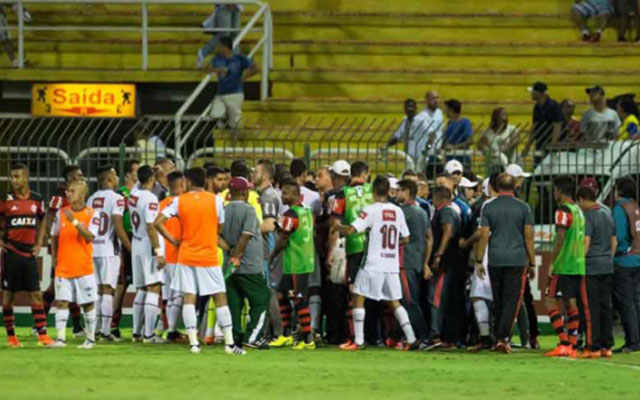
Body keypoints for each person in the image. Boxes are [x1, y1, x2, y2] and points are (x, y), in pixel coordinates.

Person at [155, 167, 245, 355]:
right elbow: (219, 227)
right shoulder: (216, 201)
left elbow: (157, 223)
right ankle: (229, 344)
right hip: (208, 255)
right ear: (205, 181)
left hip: (186, 255)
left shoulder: (179, 201)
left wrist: (173, 241)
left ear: (187, 181)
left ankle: (194, 344)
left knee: (189, 297)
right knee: (220, 297)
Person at [338, 176, 418, 351]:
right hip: (391, 264)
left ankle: (359, 341)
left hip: (373, 263)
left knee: (358, 297)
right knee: (395, 302)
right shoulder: (397, 211)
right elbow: (406, 238)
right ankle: (411, 338)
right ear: (388, 191)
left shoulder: (371, 210)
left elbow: (352, 230)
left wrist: (338, 227)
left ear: (374, 192)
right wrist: (389, 246)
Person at [476, 174, 536, 354]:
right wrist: (532, 261)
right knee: (513, 300)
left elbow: (484, 235)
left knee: (499, 298)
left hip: (495, 258)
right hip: (517, 259)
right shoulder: (523, 207)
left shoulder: (489, 208)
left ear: (497, 186)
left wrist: (479, 260)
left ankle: (497, 337)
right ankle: (504, 337)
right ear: (514, 187)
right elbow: (528, 236)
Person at [0, 163, 54, 347]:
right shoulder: (5, 200)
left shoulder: (37, 200)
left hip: (28, 254)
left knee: (36, 294)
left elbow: (43, 220)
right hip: (11, 254)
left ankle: (43, 336)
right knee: (8, 296)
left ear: (26, 178)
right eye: (12, 177)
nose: (13, 180)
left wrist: (39, 242)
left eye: (17, 177)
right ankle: (11, 337)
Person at [49, 180, 100, 349]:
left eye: (71, 191)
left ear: (81, 194)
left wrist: (75, 222)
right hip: (64, 266)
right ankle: (61, 339)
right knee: (62, 302)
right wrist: (55, 256)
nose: (67, 194)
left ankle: (90, 339)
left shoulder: (93, 214)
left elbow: (90, 237)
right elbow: (55, 236)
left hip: (83, 267)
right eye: (67, 191)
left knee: (87, 304)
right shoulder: (61, 212)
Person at [220, 177, 271, 349]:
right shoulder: (248, 210)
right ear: (244, 192)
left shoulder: (223, 210)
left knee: (234, 304)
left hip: (229, 266)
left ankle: (234, 337)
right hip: (249, 265)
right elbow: (246, 234)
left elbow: (215, 235)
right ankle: (252, 337)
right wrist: (238, 254)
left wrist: (230, 250)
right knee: (262, 299)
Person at [268, 180, 316, 350]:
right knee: (281, 295)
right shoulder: (306, 212)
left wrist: (272, 256)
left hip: (297, 263)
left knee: (300, 300)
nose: (282, 196)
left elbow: (283, 239)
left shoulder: (290, 214)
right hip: (301, 261)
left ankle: (308, 339)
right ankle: (286, 335)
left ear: (295, 195)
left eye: (285, 193)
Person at [330, 160, 373, 345]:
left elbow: (334, 226)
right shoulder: (374, 191)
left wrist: (331, 252)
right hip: (374, 248)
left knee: (355, 292)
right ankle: (377, 336)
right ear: (366, 174)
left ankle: (355, 337)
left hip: (354, 247)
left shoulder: (342, 195)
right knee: (377, 294)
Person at [86, 166, 130, 342]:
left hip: (92, 248)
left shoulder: (91, 199)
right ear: (110, 180)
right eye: (115, 175)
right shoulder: (117, 198)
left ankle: (94, 330)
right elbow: (118, 226)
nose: (118, 178)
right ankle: (105, 331)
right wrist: (130, 247)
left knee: (96, 290)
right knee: (108, 289)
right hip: (109, 250)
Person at [545, 176, 586, 358]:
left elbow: (561, 236)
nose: (554, 194)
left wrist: (552, 262)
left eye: (554, 190)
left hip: (564, 264)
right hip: (578, 264)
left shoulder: (563, 210)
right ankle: (573, 344)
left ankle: (563, 342)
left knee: (550, 300)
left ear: (559, 191)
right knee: (571, 303)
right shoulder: (578, 210)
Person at [44, 165, 86, 337]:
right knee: (58, 287)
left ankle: (76, 327)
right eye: (78, 176)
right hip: (62, 249)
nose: (82, 178)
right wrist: (54, 243)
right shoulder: (59, 198)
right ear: (69, 179)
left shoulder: (79, 196)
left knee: (66, 287)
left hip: (74, 248)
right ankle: (40, 323)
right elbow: (48, 220)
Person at [578, 185, 617, 358]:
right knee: (606, 306)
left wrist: (580, 261)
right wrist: (608, 258)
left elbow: (586, 242)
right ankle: (606, 346)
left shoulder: (588, 217)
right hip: (607, 266)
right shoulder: (607, 214)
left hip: (591, 267)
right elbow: (614, 241)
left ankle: (592, 346)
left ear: (582, 199)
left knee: (590, 307)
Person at [128, 166, 166, 344]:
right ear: (152, 178)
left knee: (142, 288)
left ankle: (136, 333)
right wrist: (158, 252)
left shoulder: (134, 193)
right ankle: (149, 335)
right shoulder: (150, 198)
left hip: (137, 243)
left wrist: (147, 172)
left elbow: (137, 183)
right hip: (149, 244)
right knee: (154, 287)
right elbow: (151, 226)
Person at [396, 179, 433, 345]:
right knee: (413, 299)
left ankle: (423, 336)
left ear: (406, 192)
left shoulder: (401, 212)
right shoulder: (422, 212)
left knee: (409, 301)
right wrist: (425, 262)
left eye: (399, 190)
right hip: (417, 262)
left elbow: (399, 238)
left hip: (405, 262)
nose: (396, 194)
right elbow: (429, 238)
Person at [425, 187, 461, 349]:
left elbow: (447, 232)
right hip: (447, 262)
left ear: (438, 198)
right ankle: (441, 334)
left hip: (445, 263)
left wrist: (438, 254)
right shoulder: (449, 211)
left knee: (436, 298)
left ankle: (435, 335)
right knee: (439, 298)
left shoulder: (446, 211)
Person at [252, 159, 283, 341]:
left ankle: (275, 333)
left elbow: (270, 224)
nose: (252, 175)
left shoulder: (268, 196)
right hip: (265, 249)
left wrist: (248, 232)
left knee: (267, 291)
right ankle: (270, 332)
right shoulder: (264, 194)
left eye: (256, 171)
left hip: (267, 250)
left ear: (265, 176)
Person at [611, 178, 640, 353]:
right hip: (637, 258)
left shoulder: (619, 208)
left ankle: (632, 341)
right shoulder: (636, 206)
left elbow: (619, 235)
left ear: (619, 191)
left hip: (623, 260)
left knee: (626, 303)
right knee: (636, 301)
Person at [111, 159, 138, 338]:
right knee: (122, 283)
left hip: (140, 239)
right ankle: (113, 325)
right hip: (125, 241)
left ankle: (142, 328)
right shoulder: (119, 194)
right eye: (136, 171)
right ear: (128, 174)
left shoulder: (143, 193)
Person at [206, 36, 259, 130]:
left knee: (236, 123)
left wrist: (243, 77)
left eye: (219, 46)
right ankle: (223, 129)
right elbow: (207, 68)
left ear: (225, 47)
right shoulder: (217, 59)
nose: (217, 48)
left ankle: (235, 142)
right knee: (216, 114)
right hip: (220, 93)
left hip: (235, 93)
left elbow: (255, 68)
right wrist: (218, 70)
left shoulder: (239, 58)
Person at [159, 171, 186, 342]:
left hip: (165, 254)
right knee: (179, 294)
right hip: (179, 254)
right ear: (183, 183)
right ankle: (171, 331)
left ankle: (165, 329)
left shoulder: (162, 204)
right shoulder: (183, 203)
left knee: (169, 295)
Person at [382, 98, 430, 170]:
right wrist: (386, 145)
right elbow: (397, 137)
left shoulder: (421, 120)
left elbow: (432, 133)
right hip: (408, 157)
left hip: (420, 157)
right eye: (407, 107)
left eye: (411, 107)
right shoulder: (405, 121)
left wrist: (427, 148)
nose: (409, 109)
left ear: (416, 108)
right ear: (404, 109)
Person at [523, 82, 563, 160]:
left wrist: (553, 144)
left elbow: (557, 125)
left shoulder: (553, 106)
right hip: (540, 143)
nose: (531, 94)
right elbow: (534, 126)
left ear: (538, 92)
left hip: (549, 143)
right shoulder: (537, 107)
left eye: (533, 92)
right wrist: (527, 146)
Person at [197, 4, 242, 68]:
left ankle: (237, 61)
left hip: (237, 7)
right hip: (224, 6)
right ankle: (203, 53)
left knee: (235, 34)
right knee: (224, 35)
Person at [478, 107, 519, 173]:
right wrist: (487, 149)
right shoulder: (489, 132)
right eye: (502, 114)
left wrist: (504, 149)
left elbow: (515, 141)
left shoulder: (511, 129)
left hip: (510, 162)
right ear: (495, 117)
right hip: (492, 164)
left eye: (505, 114)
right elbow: (480, 145)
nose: (505, 117)